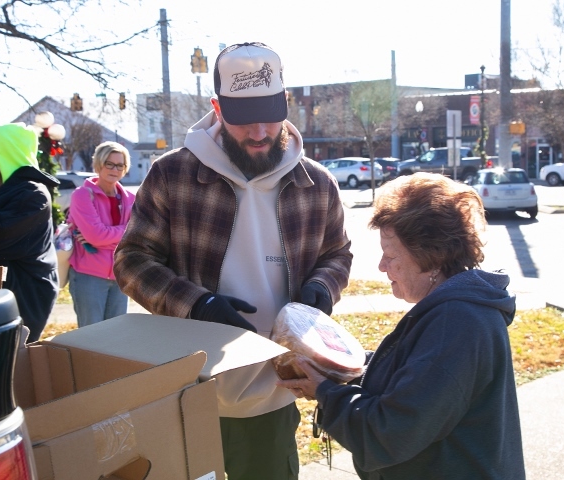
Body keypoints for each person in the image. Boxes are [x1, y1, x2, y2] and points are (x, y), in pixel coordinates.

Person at [113, 42, 352, 480]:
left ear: (286, 103)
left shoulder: (317, 183)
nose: (260, 132)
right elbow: (130, 260)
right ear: (218, 108)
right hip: (189, 390)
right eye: (244, 118)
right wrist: (197, 304)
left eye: (270, 113)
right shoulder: (173, 174)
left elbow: (337, 254)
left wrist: (323, 288)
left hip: (276, 391)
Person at [278, 172, 526, 480]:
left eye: (391, 255)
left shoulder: (458, 323)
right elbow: (414, 381)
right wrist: (342, 365)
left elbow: (388, 434)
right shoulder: (456, 309)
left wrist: (327, 393)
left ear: (431, 257)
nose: (382, 265)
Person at [0, 123, 59, 342]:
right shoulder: (4, 191)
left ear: (2, 153)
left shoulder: (32, 193)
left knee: (4, 372)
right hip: (1, 299)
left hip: (21, 303)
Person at [66, 141, 135, 327]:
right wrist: (120, 235)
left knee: (114, 336)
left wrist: (104, 237)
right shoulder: (82, 195)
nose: (115, 169)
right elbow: (95, 235)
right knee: (91, 335)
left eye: (120, 165)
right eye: (109, 164)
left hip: (119, 275)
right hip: (88, 276)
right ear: (98, 164)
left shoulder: (131, 199)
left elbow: (137, 236)